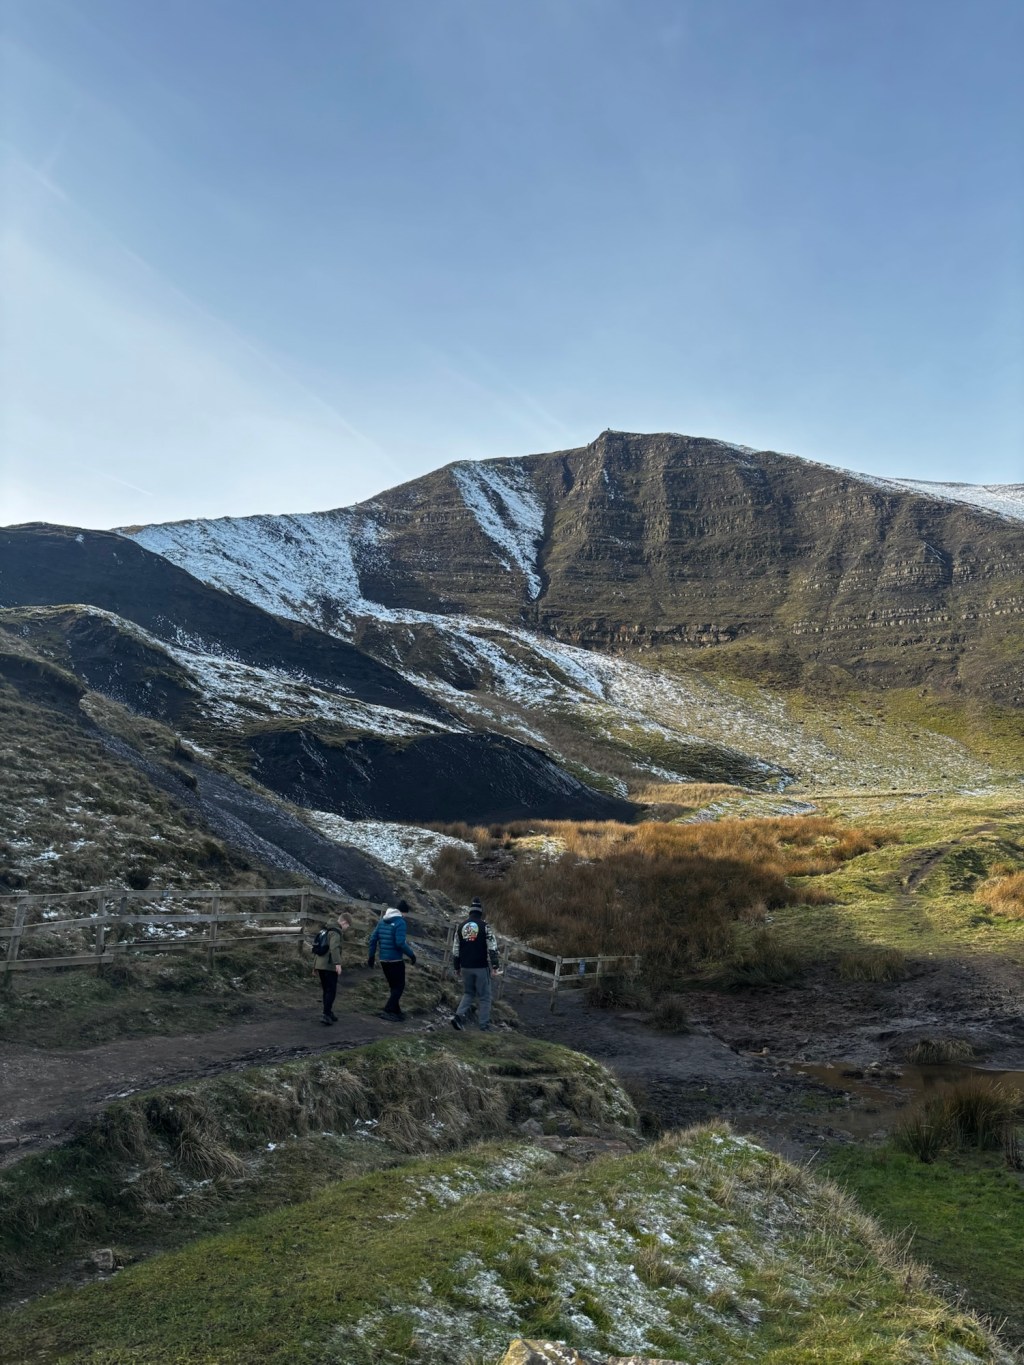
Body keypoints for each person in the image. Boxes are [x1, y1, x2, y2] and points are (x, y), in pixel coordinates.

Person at [451, 897, 500, 1032]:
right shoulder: (485, 927)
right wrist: (495, 966)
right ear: (480, 913)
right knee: (484, 997)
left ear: (470, 912)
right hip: (480, 967)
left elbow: (455, 949)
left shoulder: (461, 927)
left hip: (465, 966)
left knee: (468, 993)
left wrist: (456, 967)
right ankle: (484, 1026)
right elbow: (492, 947)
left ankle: (458, 1017)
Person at [367, 901, 417, 1021]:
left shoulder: (382, 921)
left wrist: (371, 956)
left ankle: (396, 1011)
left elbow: (373, 939)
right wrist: (412, 955)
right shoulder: (400, 922)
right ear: (402, 912)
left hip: (384, 959)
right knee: (399, 986)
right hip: (395, 960)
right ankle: (388, 1010)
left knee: (394, 986)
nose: (405, 916)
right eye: (405, 913)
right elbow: (400, 943)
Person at [312, 913, 350, 1025]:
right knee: (331, 991)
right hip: (329, 965)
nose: (347, 928)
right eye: (348, 925)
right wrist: (337, 964)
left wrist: (314, 966)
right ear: (344, 922)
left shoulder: (325, 929)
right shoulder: (336, 932)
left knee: (326, 990)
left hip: (320, 965)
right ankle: (326, 1014)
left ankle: (328, 1012)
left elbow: (317, 948)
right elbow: (334, 948)